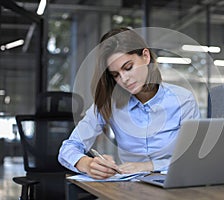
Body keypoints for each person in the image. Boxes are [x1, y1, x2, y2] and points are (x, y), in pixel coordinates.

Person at [58, 27, 201, 180]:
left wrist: (149, 166)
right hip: (127, 188)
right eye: (115, 75)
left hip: (174, 184)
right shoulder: (109, 104)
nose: (124, 79)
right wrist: (87, 164)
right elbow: (68, 149)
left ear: (145, 56)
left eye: (128, 67)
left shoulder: (183, 100)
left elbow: (194, 156)